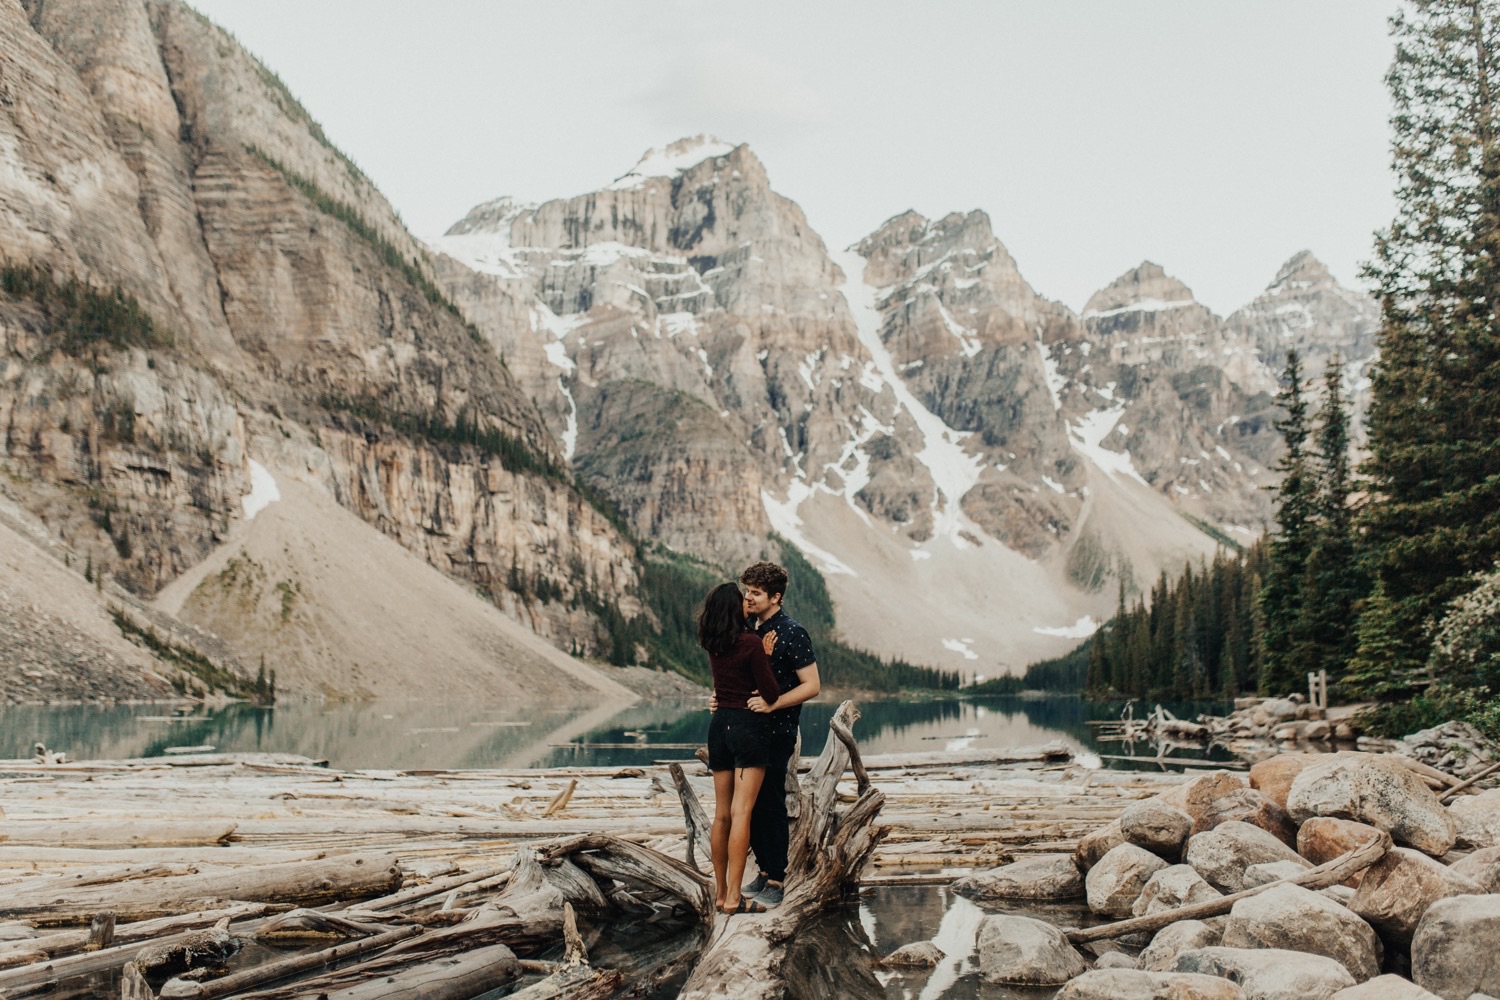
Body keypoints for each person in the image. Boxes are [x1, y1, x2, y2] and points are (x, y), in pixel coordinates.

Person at [739, 560, 820, 908]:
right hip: (747, 728)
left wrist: (773, 705)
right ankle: (762, 870)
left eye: (756, 593)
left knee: (771, 801)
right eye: (747, 591)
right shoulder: (748, 629)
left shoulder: (792, 632)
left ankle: (777, 877)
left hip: (778, 729)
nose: (749, 597)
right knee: (752, 802)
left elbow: (813, 686)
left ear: (776, 597)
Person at [698, 581, 781, 914]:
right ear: (734, 608)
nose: (747, 600)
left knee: (721, 815)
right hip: (747, 729)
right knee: (741, 813)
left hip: (718, 729)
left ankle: (720, 895)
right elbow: (771, 693)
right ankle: (735, 898)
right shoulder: (750, 643)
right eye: (741, 599)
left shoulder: (713, 643)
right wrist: (767, 656)